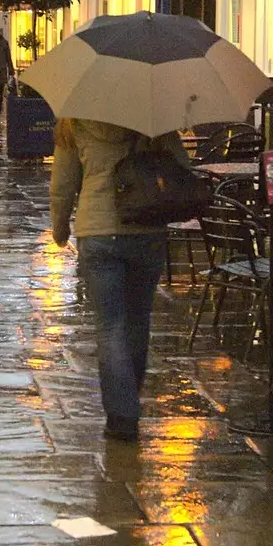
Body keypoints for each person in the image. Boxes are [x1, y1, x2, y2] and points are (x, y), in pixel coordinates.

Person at [50, 118, 185, 443]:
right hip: (146, 228)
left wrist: (60, 226)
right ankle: (128, 398)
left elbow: (63, 184)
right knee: (138, 321)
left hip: (97, 233)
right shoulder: (154, 116)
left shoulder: (75, 121)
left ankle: (122, 415)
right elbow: (181, 165)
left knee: (110, 326)